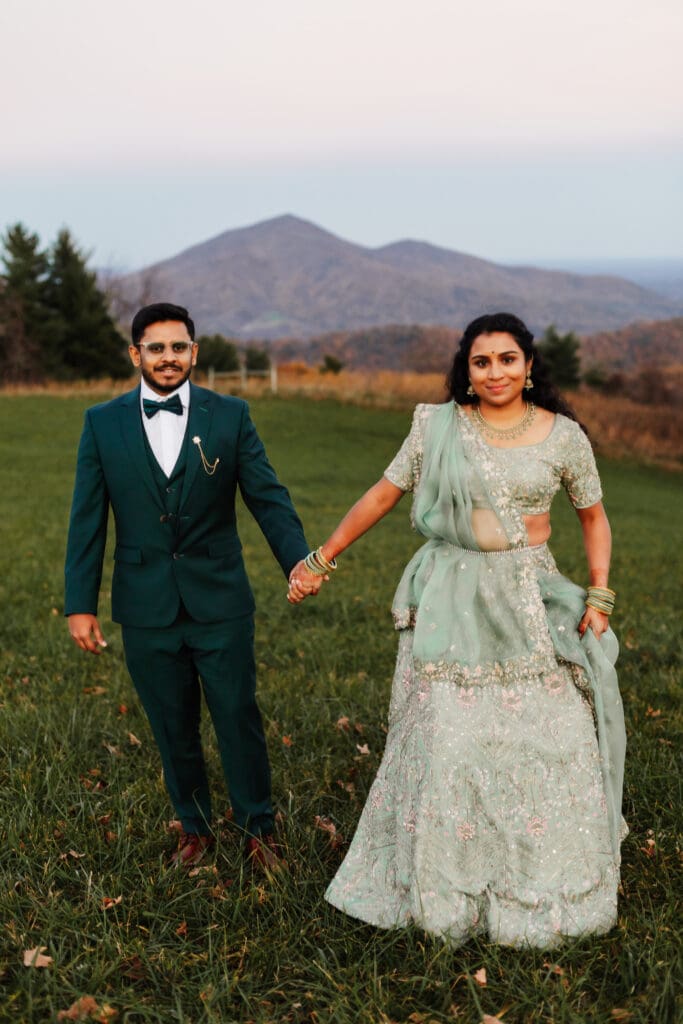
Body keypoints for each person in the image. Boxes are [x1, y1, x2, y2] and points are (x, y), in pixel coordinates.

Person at [289, 312, 626, 947]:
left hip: (529, 597)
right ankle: (444, 891)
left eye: (506, 359)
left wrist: (601, 592)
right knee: (449, 739)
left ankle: (541, 884)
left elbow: (594, 518)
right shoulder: (436, 427)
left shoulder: (564, 437)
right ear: (465, 371)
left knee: (546, 738)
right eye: (481, 361)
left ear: (529, 367)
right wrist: (321, 558)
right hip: (451, 596)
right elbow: (383, 495)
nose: (494, 371)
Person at [65, 302, 323, 868]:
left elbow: (267, 496)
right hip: (144, 603)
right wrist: (79, 603)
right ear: (136, 354)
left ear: (194, 353)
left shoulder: (229, 415)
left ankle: (259, 829)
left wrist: (298, 560)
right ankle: (195, 829)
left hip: (220, 597)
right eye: (155, 348)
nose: (168, 357)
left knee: (236, 714)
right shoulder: (101, 423)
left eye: (178, 347)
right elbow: (87, 519)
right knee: (171, 722)